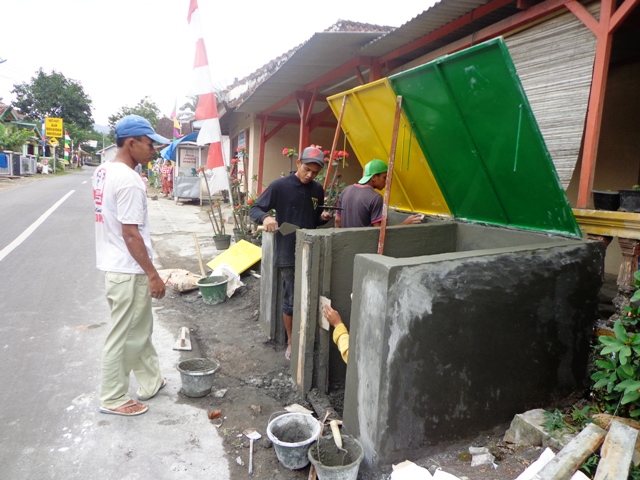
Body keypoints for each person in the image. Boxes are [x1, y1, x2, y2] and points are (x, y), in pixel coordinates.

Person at [92, 115, 170, 416]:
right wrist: (153, 274)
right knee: (126, 336)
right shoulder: (129, 181)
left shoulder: (104, 171)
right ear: (131, 143)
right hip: (128, 269)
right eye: (150, 144)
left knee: (139, 329)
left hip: (116, 265)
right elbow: (130, 232)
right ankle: (113, 397)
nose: (154, 150)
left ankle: (150, 382)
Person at [250, 146, 333, 359]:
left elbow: (313, 220)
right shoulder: (280, 186)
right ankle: (290, 340)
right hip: (287, 251)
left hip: (310, 250)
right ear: (298, 163)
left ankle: (307, 335)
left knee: (311, 293)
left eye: (315, 173)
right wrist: (266, 218)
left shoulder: (317, 190)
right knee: (291, 297)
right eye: (306, 169)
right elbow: (255, 209)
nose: (309, 175)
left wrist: (323, 218)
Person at [335, 159, 423, 228]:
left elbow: (338, 220)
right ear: (374, 177)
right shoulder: (375, 198)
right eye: (384, 177)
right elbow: (379, 232)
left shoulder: (346, 190)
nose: (386, 182)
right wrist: (406, 223)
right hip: (364, 247)